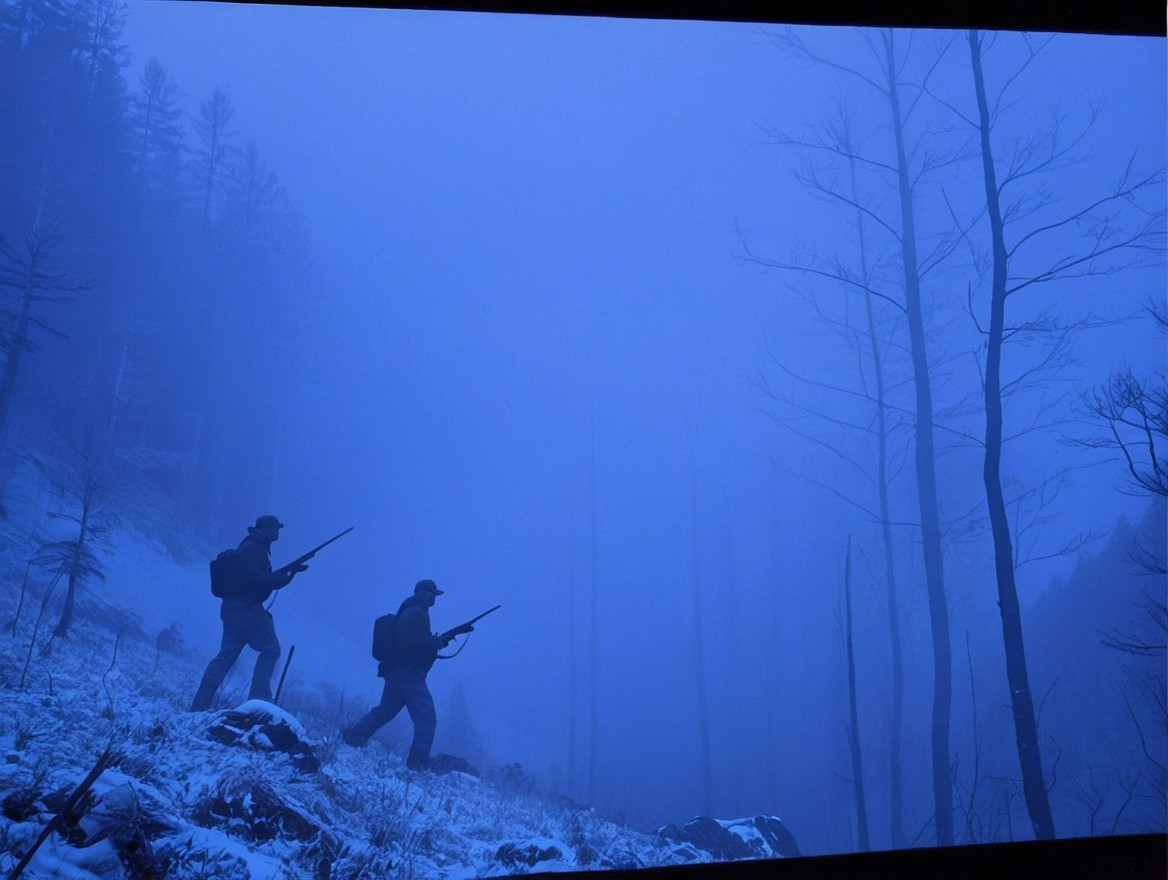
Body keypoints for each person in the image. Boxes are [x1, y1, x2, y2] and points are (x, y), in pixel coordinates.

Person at [342, 579, 464, 770]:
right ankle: (418, 764)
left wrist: (439, 640)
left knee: (385, 711)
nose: (435, 598)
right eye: (432, 594)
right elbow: (414, 642)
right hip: (409, 673)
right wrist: (438, 642)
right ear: (422, 593)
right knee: (426, 719)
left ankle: (354, 737)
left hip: (396, 671)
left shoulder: (412, 610)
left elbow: (412, 641)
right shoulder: (417, 613)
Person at [189, 515, 308, 711]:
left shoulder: (249, 547)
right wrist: (284, 576)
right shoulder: (255, 549)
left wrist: (288, 574)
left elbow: (257, 578)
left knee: (225, 657)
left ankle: (198, 706)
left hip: (230, 609)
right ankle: (257, 704)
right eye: (275, 528)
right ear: (266, 529)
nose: (278, 532)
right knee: (271, 650)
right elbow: (258, 579)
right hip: (247, 610)